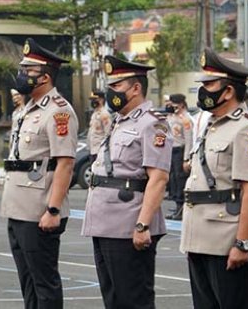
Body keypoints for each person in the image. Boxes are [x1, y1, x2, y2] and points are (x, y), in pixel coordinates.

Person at [180, 47, 248, 309]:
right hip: (200, 237)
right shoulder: (212, 124)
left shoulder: (247, 128)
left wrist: (243, 243)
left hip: (228, 239)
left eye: (209, 84)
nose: (203, 90)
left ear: (228, 91)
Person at [82, 56, 171, 308]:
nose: (111, 92)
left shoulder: (152, 122)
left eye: (117, 86)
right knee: (113, 299)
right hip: (104, 223)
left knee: (133, 299)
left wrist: (142, 225)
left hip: (128, 223)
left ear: (135, 88)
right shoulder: (121, 121)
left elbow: (158, 177)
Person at [0, 38, 78, 309]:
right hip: (18, 207)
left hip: (40, 211)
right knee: (28, 282)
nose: (21, 74)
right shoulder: (26, 110)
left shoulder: (59, 113)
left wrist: (53, 210)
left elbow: (65, 164)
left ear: (44, 76)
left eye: (27, 70)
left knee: (44, 283)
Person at [165, 93, 193, 220]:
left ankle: (181, 208)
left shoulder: (185, 119)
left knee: (180, 179)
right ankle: (177, 206)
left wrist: (186, 158)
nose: (171, 106)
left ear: (181, 104)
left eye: (173, 103)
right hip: (171, 150)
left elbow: (189, 140)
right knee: (173, 180)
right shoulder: (171, 117)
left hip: (180, 151)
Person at [87, 91, 111, 163]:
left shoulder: (104, 114)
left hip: (100, 150)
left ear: (101, 100)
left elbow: (108, 133)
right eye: (92, 100)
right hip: (93, 150)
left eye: (95, 99)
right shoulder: (94, 114)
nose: (93, 102)